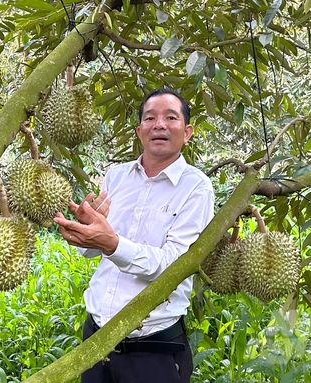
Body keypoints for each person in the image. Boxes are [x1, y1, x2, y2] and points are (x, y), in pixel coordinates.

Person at [53, 88, 215, 383]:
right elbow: (92, 252)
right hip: (95, 338)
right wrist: (86, 233)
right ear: (139, 131)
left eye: (170, 118)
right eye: (150, 118)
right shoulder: (116, 176)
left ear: (187, 131)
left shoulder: (196, 188)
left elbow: (175, 266)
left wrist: (112, 244)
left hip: (153, 348)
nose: (159, 125)